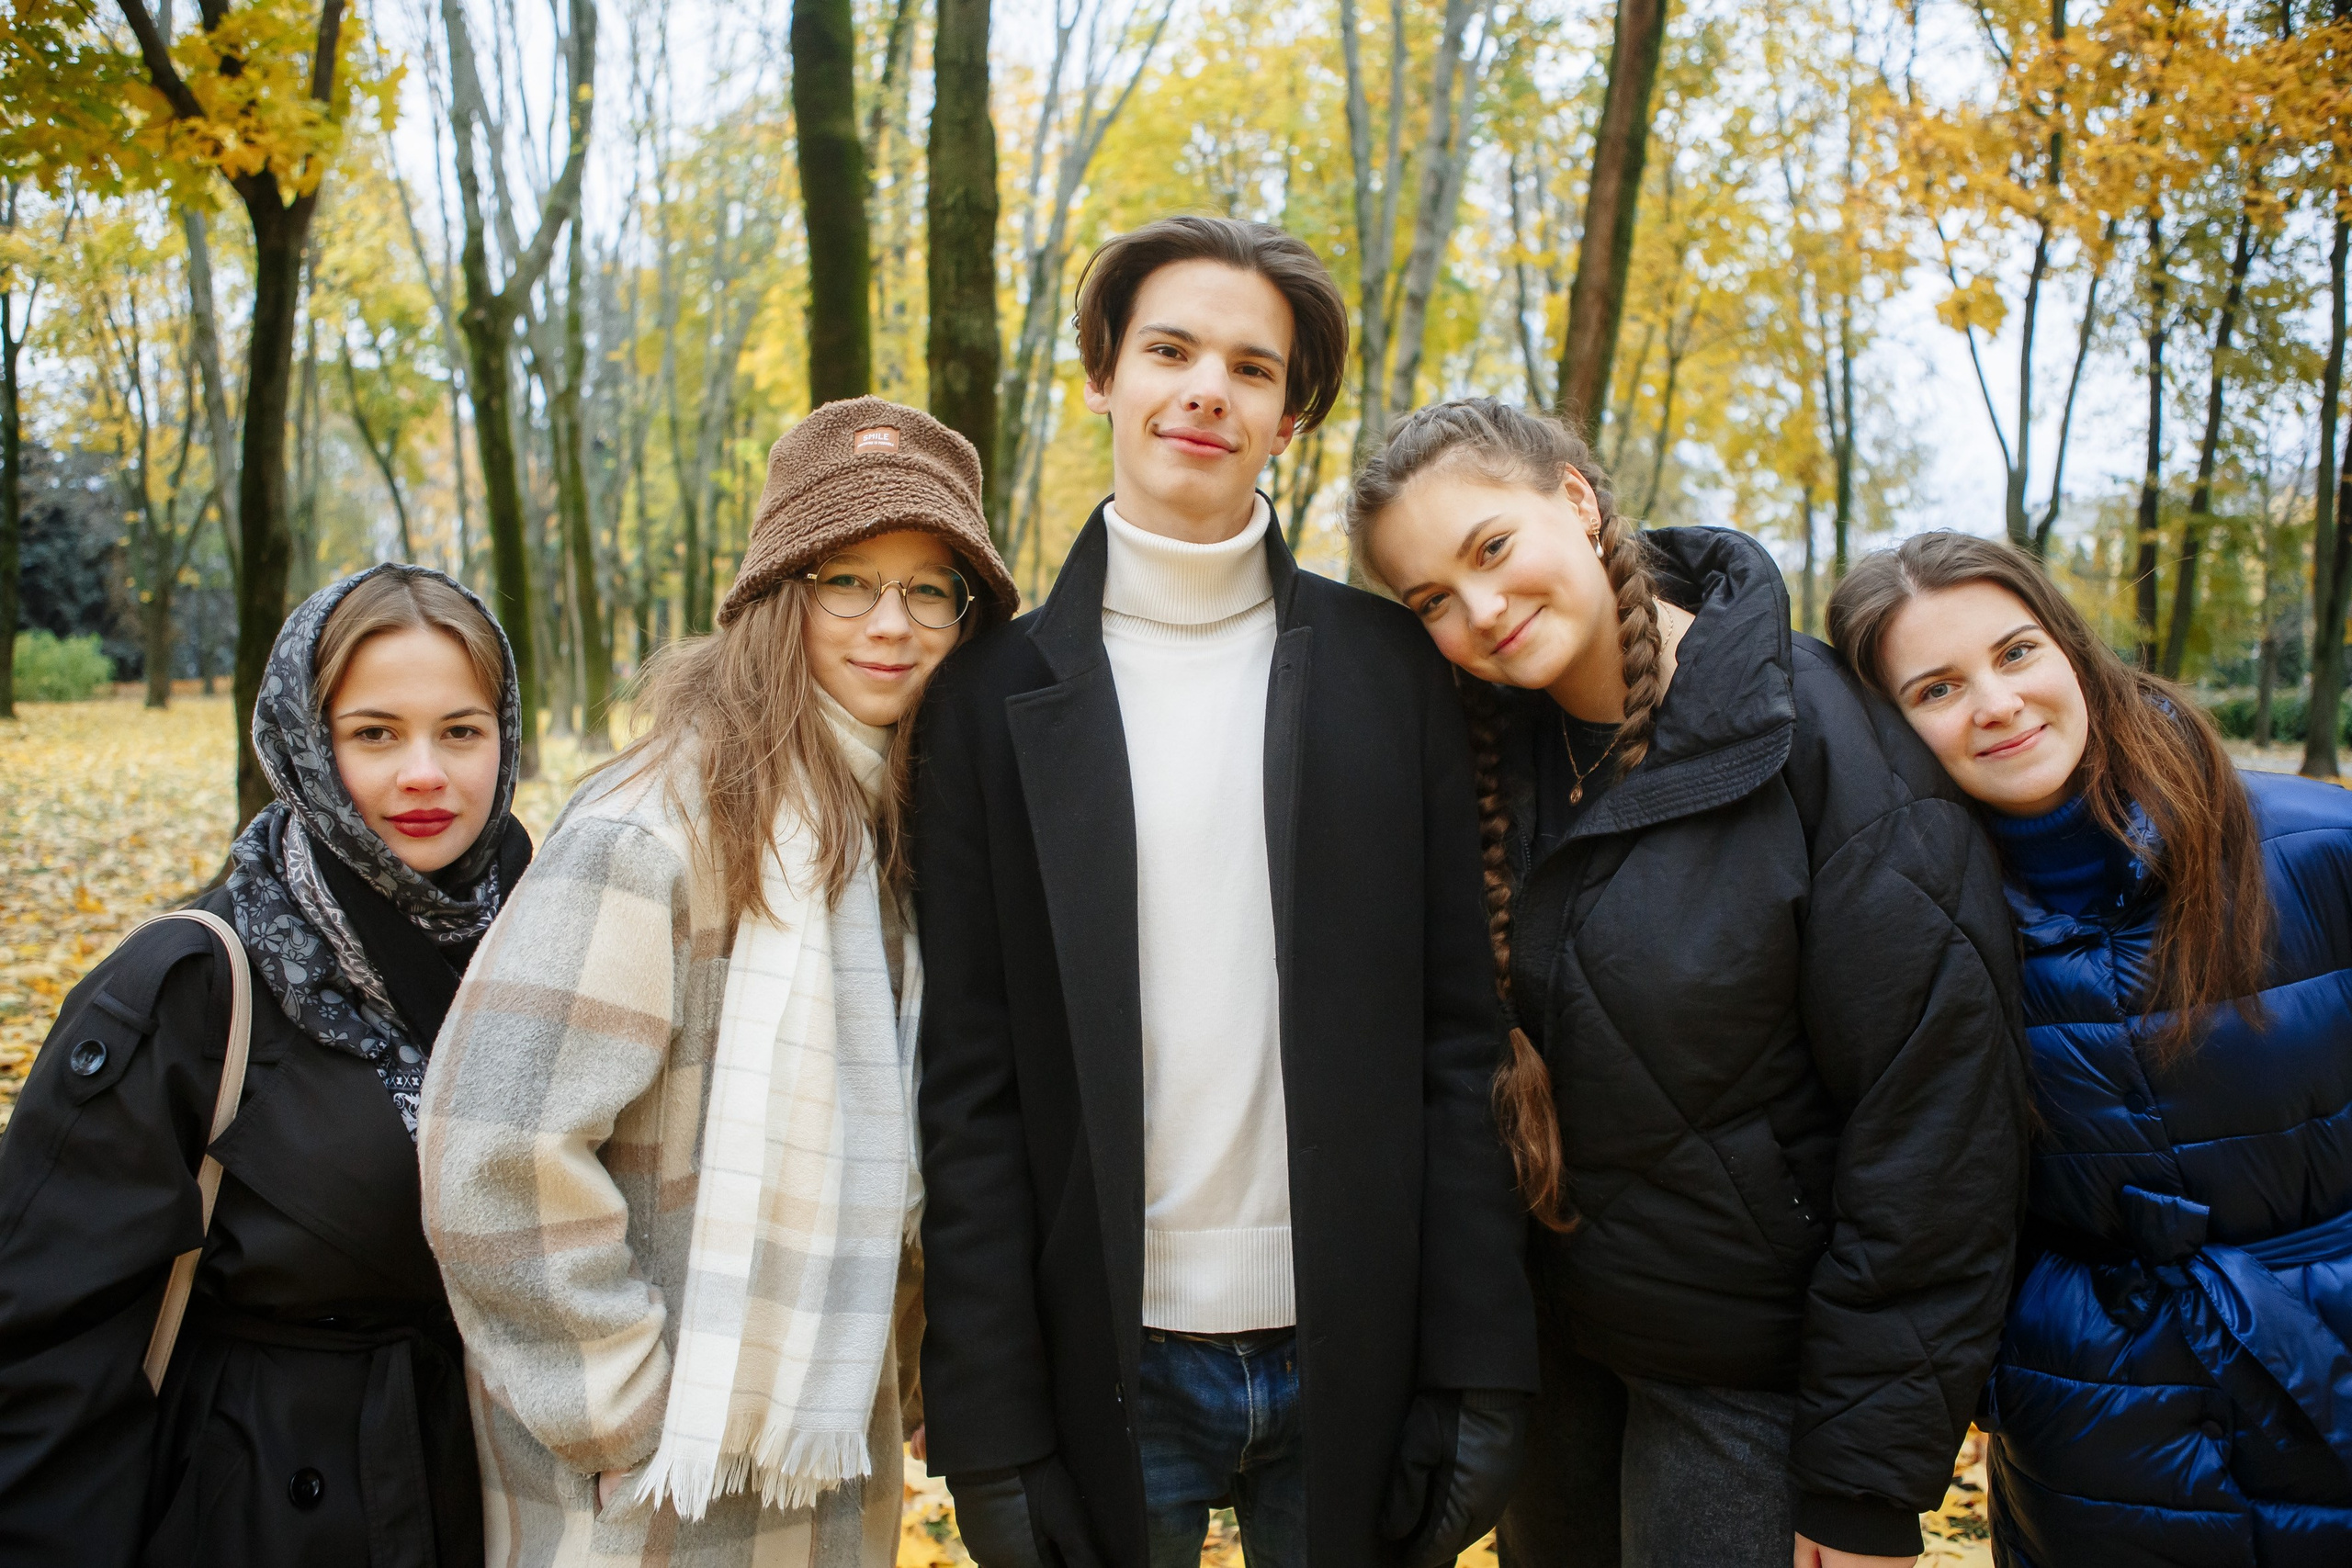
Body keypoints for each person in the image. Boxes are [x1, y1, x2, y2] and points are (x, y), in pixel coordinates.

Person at [913, 217, 1538, 1568]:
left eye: (1252, 368)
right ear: (1104, 376)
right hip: (1106, 1362)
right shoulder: (985, 698)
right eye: (1171, 350)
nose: (1208, 388)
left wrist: (1482, 1361)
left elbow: (1458, 1036)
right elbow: (969, 1089)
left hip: (1355, 1345)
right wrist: (989, 1423)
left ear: (1290, 417)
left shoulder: (1390, 669)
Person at [1346, 399, 2029, 1568]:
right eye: (1432, 604)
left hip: (1750, 1393)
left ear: (1576, 497)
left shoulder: (1822, 742)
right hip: (1550, 1371)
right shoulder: (1475, 763)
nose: (1481, 614)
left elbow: (1936, 1119)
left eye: (1492, 549)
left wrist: (1866, 1477)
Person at [419, 398, 1016, 1568]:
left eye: (928, 588)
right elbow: (489, 1156)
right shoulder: (652, 836)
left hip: (822, 1477)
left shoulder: (896, 847)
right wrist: (630, 1422)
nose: (889, 623)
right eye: (846, 580)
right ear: (777, 596)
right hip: (646, 1501)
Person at [1827, 531, 2352, 1567]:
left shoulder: (2314, 845)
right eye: (1935, 689)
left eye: (2016, 653)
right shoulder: (1898, 931)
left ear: (2071, 650)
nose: (1996, 703)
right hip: (2089, 1431)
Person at [0, 563, 530, 1564]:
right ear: (305, 743)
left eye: (460, 730)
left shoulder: (545, 949)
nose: (426, 773)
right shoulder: (195, 983)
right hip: (259, 1510)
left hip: (488, 1504)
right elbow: (43, 1351)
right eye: (374, 733)